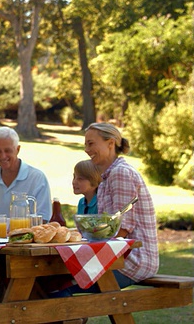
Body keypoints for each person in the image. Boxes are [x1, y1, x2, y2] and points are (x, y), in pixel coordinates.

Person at [49, 122, 159, 297]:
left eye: (91, 143)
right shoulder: (107, 176)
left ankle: (73, 319)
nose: (86, 149)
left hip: (132, 262)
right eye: (85, 144)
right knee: (47, 280)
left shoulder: (120, 173)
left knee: (57, 288)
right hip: (116, 258)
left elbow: (121, 230)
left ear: (111, 144)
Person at [0, 126, 52, 221]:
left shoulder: (37, 178)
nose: (3, 156)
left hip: (27, 235)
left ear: (17, 150)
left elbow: (44, 219)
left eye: (7, 150)